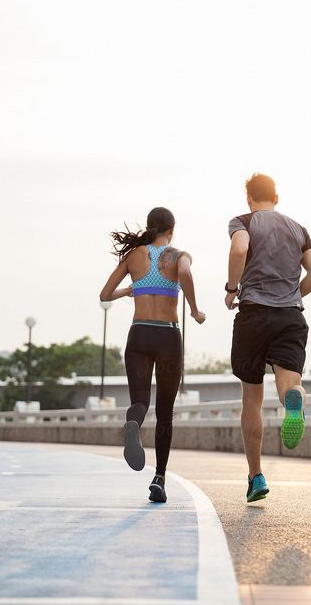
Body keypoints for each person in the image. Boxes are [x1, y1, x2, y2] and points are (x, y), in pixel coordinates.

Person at [225, 173, 311, 503]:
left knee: (251, 399)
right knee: (287, 386)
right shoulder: (298, 229)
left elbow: (240, 250)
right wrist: (294, 295)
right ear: (276, 198)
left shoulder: (243, 221)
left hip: (254, 314)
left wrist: (231, 288)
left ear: (249, 198)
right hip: (290, 316)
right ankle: (294, 400)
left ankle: (256, 477)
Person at [100, 207, 205, 503]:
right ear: (171, 230)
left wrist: (127, 291)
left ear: (149, 228)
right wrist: (195, 310)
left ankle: (133, 421)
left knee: (140, 401)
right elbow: (184, 273)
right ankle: (158, 478)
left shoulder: (133, 256)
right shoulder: (178, 255)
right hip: (167, 335)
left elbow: (104, 294)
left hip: (139, 334)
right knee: (165, 413)